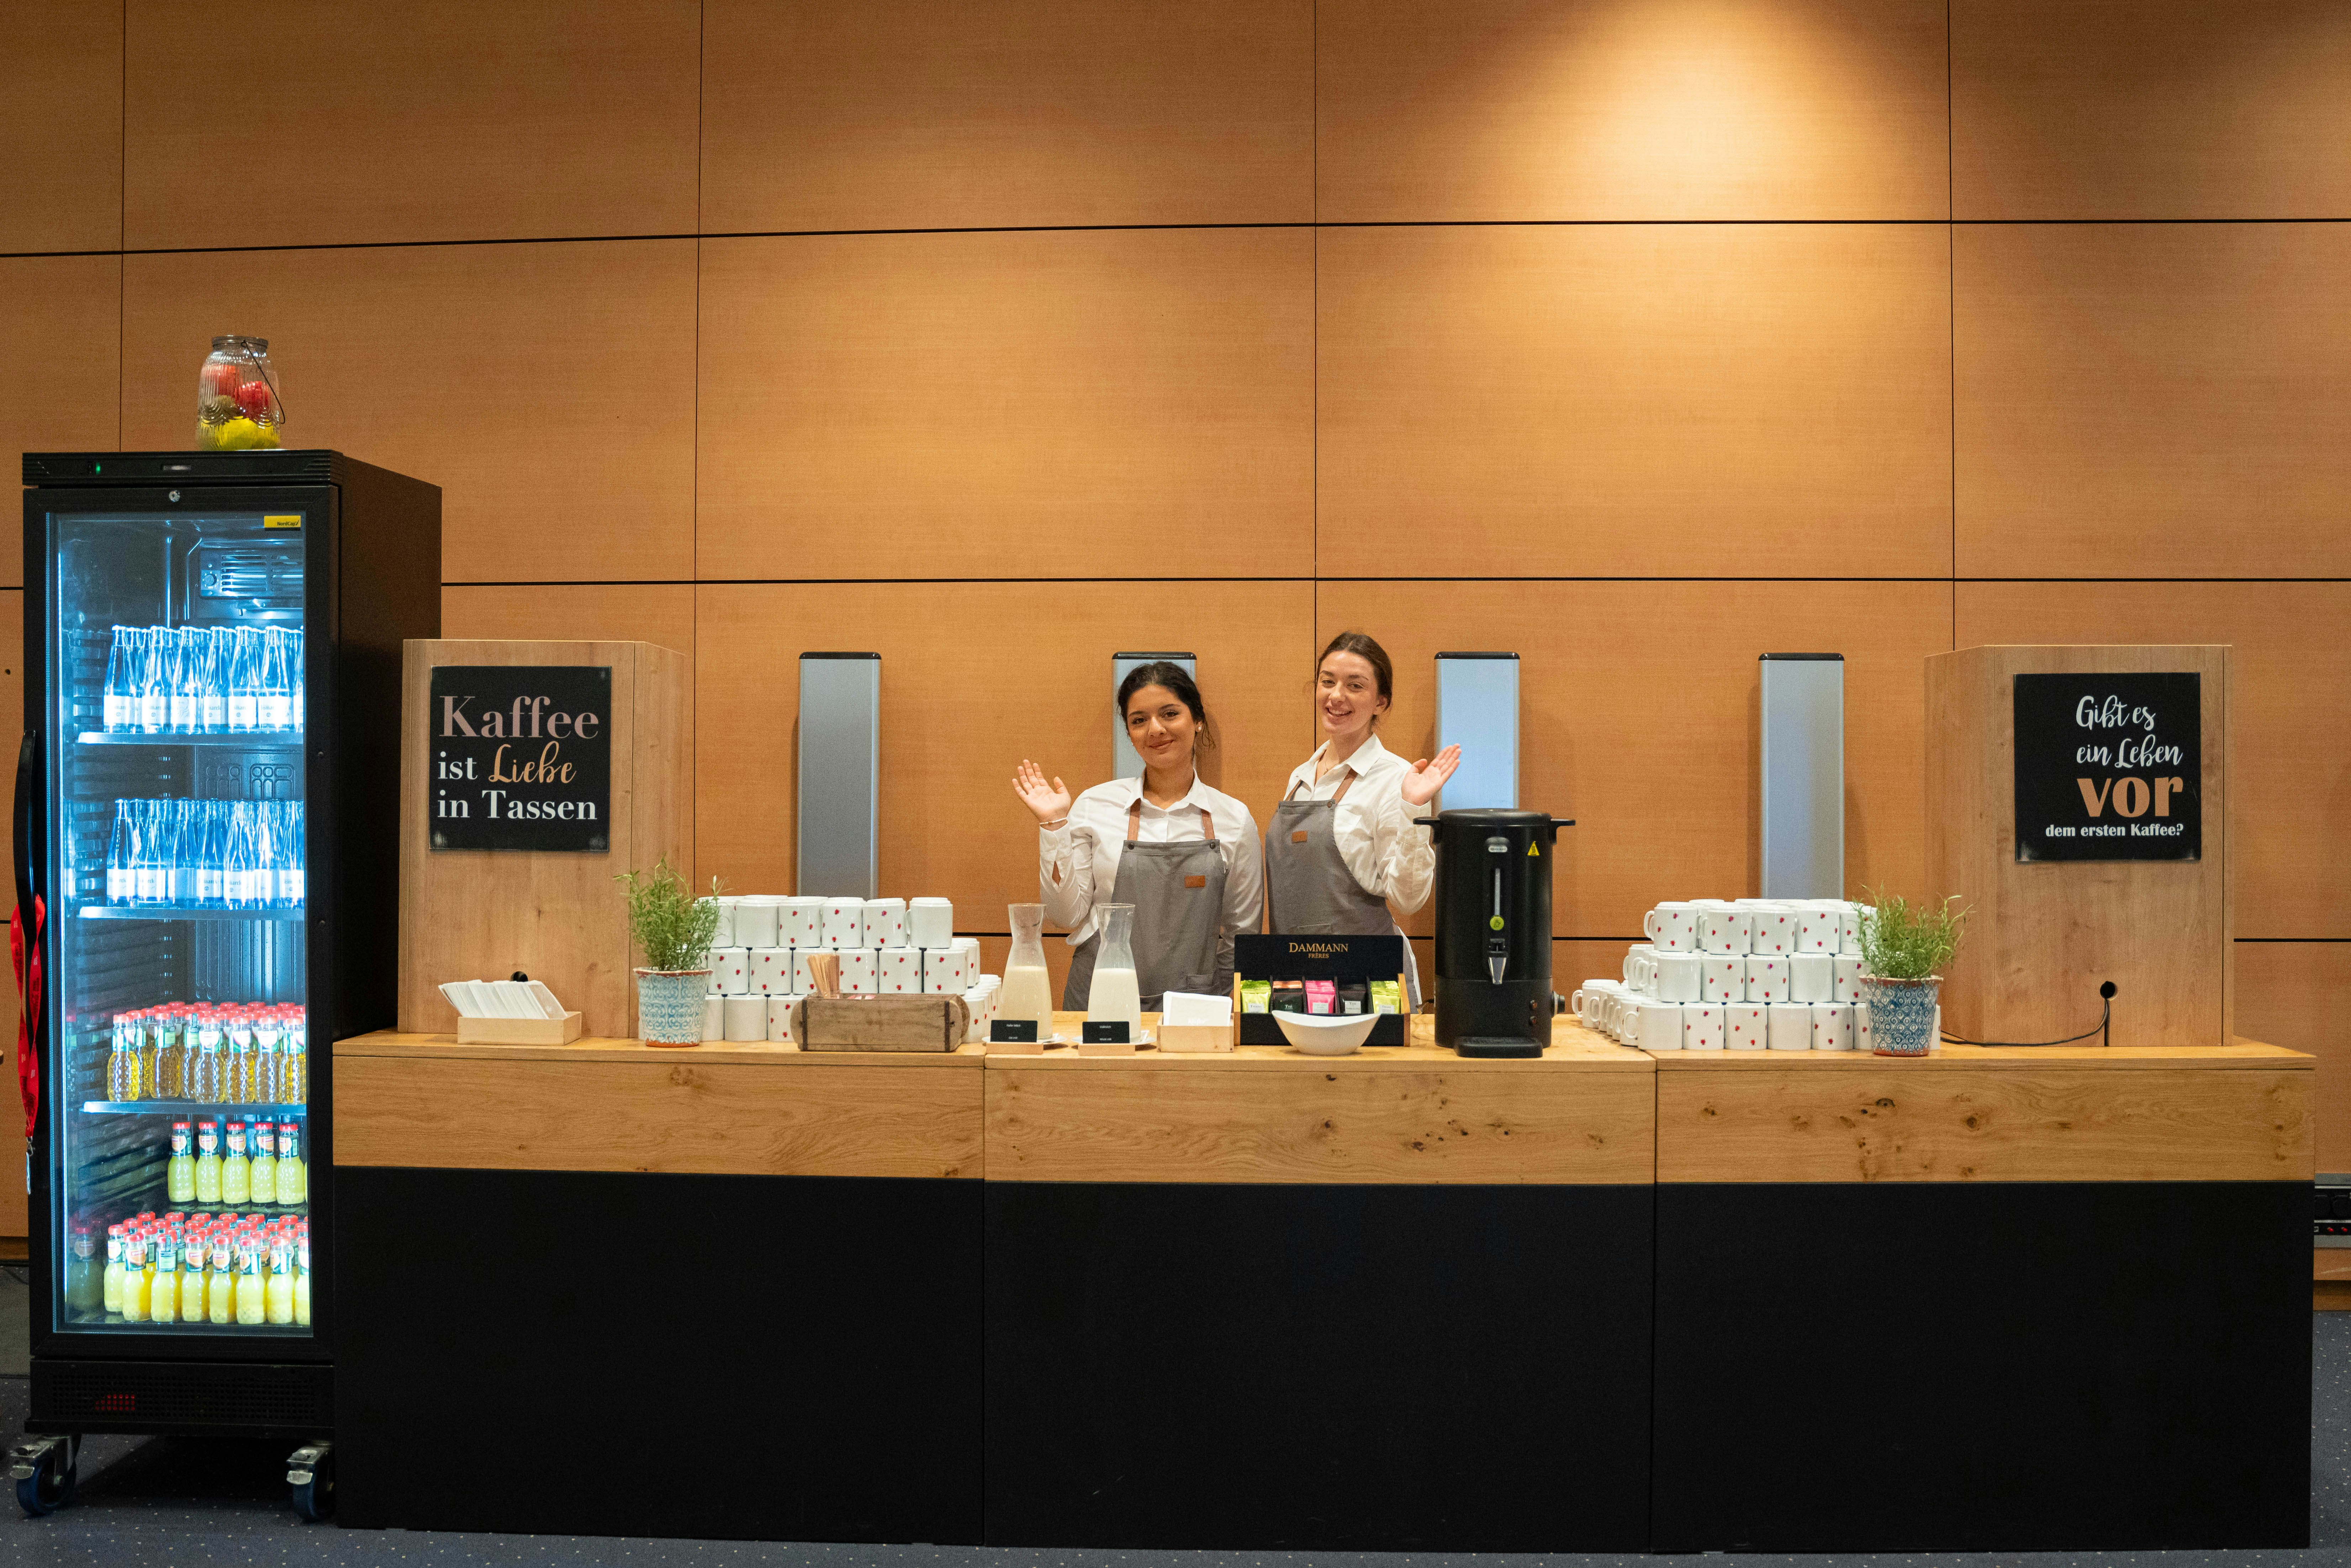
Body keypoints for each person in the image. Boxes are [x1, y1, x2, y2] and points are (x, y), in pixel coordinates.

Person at [1014, 662, 1264, 1012]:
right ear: (1130, 734)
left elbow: (1241, 938)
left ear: (1197, 719)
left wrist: (1222, 1009)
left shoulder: (1233, 819)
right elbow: (1065, 916)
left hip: (1194, 1009)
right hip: (1099, 1003)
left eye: (1170, 714)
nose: (1155, 729)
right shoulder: (1094, 805)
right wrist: (1054, 825)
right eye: (1139, 720)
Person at [1264, 631, 1459, 1008]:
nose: (1336, 696)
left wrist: (1413, 809)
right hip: (1298, 976)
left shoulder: (1396, 779)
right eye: (1327, 682)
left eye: (1355, 686)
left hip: (1370, 982)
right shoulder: (1300, 777)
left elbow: (1409, 899)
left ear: (1380, 702)